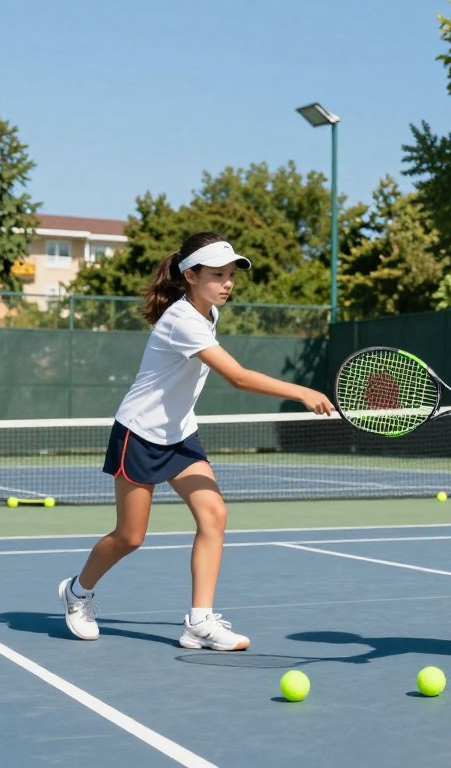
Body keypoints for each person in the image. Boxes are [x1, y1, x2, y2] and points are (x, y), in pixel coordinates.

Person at [57, 232, 335, 651]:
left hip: (180, 433)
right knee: (130, 537)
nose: (227, 283)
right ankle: (77, 592)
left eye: (231, 276)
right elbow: (238, 378)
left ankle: (199, 622)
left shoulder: (208, 315)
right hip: (139, 434)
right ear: (190, 275)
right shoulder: (182, 319)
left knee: (214, 516)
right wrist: (301, 391)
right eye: (217, 275)